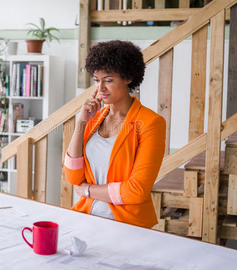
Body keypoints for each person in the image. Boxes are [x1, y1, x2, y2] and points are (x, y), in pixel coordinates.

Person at [63, 40, 166, 228]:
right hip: (87, 217)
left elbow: (136, 191)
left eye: (108, 80)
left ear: (127, 78)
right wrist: (81, 122)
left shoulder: (151, 123)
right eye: (97, 80)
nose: (100, 88)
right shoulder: (94, 118)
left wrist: (87, 190)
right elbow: (72, 177)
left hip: (127, 225)